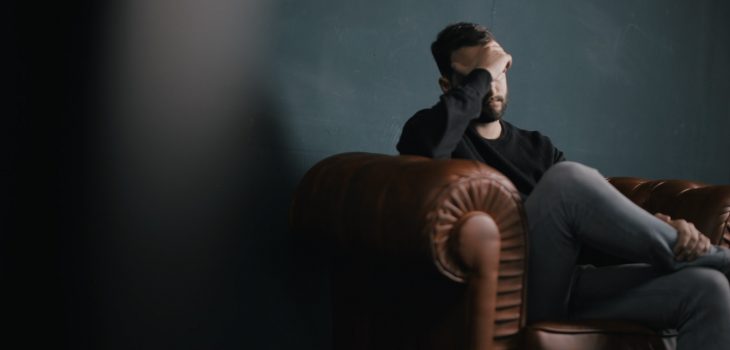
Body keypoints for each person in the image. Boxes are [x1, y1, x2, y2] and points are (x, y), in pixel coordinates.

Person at [397, 22, 730, 349]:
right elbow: (429, 151)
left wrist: (657, 227)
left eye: (500, 72)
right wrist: (483, 72)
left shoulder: (538, 147)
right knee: (567, 179)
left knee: (708, 288)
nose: (492, 86)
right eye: (479, 76)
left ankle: (699, 260)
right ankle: (715, 258)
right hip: (508, 292)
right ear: (447, 85)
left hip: (567, 287)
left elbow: (593, 226)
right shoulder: (429, 130)